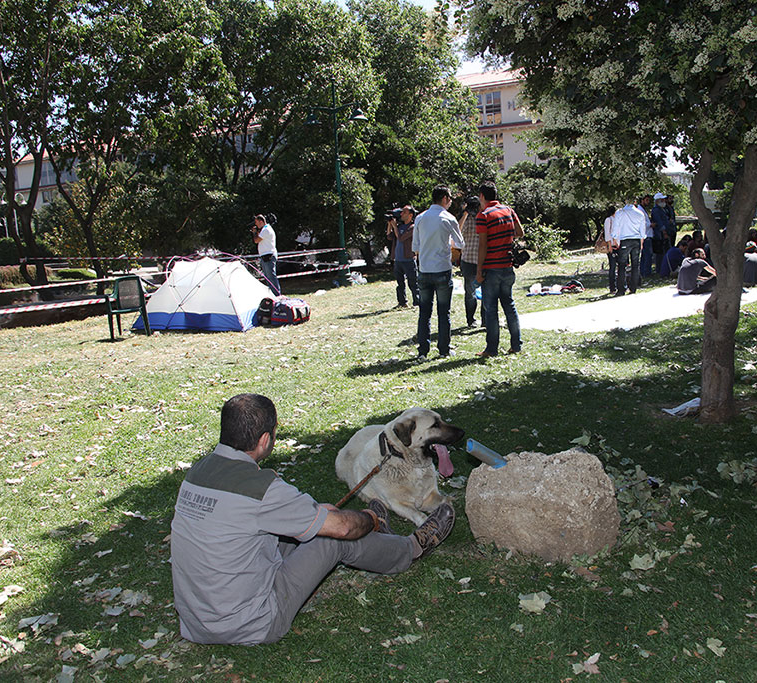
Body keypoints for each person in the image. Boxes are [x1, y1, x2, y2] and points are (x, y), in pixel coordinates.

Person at [171, 393, 454, 646]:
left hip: (197, 623)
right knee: (334, 539)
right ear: (265, 440)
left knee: (301, 529)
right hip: (252, 624)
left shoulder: (197, 474)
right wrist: (368, 518)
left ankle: (352, 525)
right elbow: (342, 528)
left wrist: (318, 513)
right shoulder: (262, 489)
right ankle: (413, 548)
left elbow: (260, 515)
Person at [411, 187, 463, 359]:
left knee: (424, 312)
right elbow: (460, 244)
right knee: (443, 312)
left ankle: (423, 351)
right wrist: (448, 242)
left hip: (424, 269)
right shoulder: (449, 218)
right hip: (442, 269)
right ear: (445, 198)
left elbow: (415, 247)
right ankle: (443, 349)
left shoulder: (420, 218)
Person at [475, 181, 523, 357]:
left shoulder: (483, 215)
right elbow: (520, 232)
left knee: (491, 310)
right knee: (509, 305)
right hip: (507, 266)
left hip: (491, 268)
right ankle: (516, 345)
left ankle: (491, 349)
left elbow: (482, 245)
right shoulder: (508, 210)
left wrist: (479, 270)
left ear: (482, 196)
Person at [611, 196, 648, 295]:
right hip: (636, 239)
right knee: (635, 265)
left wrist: (614, 239)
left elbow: (616, 226)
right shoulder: (640, 213)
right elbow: (642, 230)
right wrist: (641, 242)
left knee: (622, 265)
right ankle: (633, 288)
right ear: (635, 201)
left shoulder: (620, 212)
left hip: (625, 240)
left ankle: (621, 289)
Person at [456, 196, 481, 326]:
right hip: (468, 260)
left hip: (483, 261)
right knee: (470, 293)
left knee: (487, 292)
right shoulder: (466, 220)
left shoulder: (484, 217)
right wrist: (465, 213)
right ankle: (471, 320)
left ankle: (486, 320)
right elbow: (457, 231)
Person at [387, 206, 419, 309]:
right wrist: (390, 225)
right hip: (398, 259)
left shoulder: (413, 227)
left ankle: (417, 302)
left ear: (410, 215)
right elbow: (389, 236)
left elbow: (401, 238)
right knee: (399, 283)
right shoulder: (399, 226)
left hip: (408, 259)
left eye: (404, 212)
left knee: (413, 283)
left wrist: (394, 226)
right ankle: (402, 302)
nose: (401, 214)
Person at [252, 214, 280, 295]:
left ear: (261, 221)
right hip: (265, 256)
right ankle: (272, 294)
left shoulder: (266, 230)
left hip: (269, 256)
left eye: (257, 222)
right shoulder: (264, 230)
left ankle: (276, 294)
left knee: (271, 276)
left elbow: (256, 240)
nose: (256, 224)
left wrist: (254, 233)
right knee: (268, 277)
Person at [638, 194, 655, 278]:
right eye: (646, 200)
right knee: (648, 254)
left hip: (647, 234)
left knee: (645, 255)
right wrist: (651, 225)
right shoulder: (640, 210)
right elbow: (642, 223)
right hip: (645, 235)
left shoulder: (643, 210)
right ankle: (646, 273)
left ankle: (643, 272)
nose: (648, 202)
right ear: (642, 200)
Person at [602, 206, 618, 294]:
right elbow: (607, 234)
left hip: (618, 245)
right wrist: (609, 246)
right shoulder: (608, 220)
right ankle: (612, 287)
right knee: (612, 267)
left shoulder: (617, 220)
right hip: (611, 245)